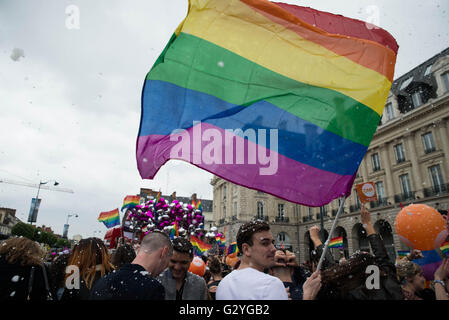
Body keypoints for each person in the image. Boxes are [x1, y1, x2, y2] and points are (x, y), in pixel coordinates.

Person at [315, 204, 403, 300]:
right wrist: (367, 224)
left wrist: (315, 239)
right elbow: (382, 257)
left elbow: (332, 267)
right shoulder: (389, 284)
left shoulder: (349, 291)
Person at [216, 220, 321, 300]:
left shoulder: (224, 284)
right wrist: (307, 297)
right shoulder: (271, 284)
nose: (273, 248)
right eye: (265, 243)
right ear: (246, 249)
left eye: (272, 242)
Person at [90, 231, 172, 300]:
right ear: (164, 252)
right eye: (167, 262)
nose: (165, 268)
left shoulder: (102, 283)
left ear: (140, 250)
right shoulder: (153, 288)